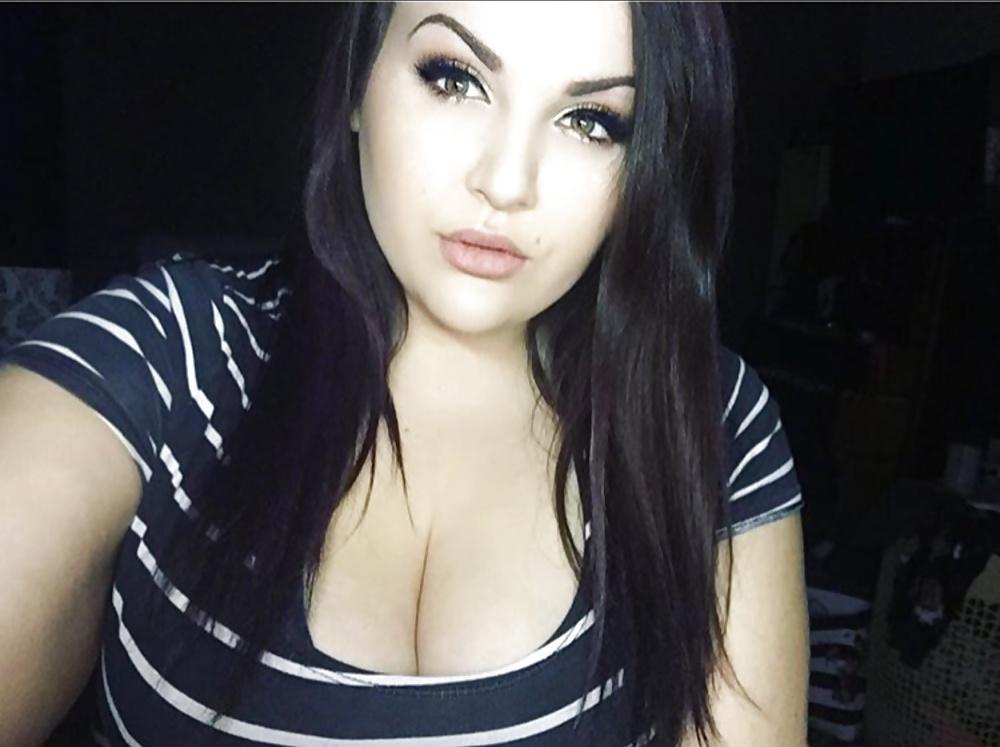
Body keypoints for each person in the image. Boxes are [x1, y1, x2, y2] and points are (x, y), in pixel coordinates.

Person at [0, 3, 808, 745]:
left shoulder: (704, 420)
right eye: (454, 79)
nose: (506, 182)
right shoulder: (167, 354)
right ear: (359, 83)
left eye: (591, 121)